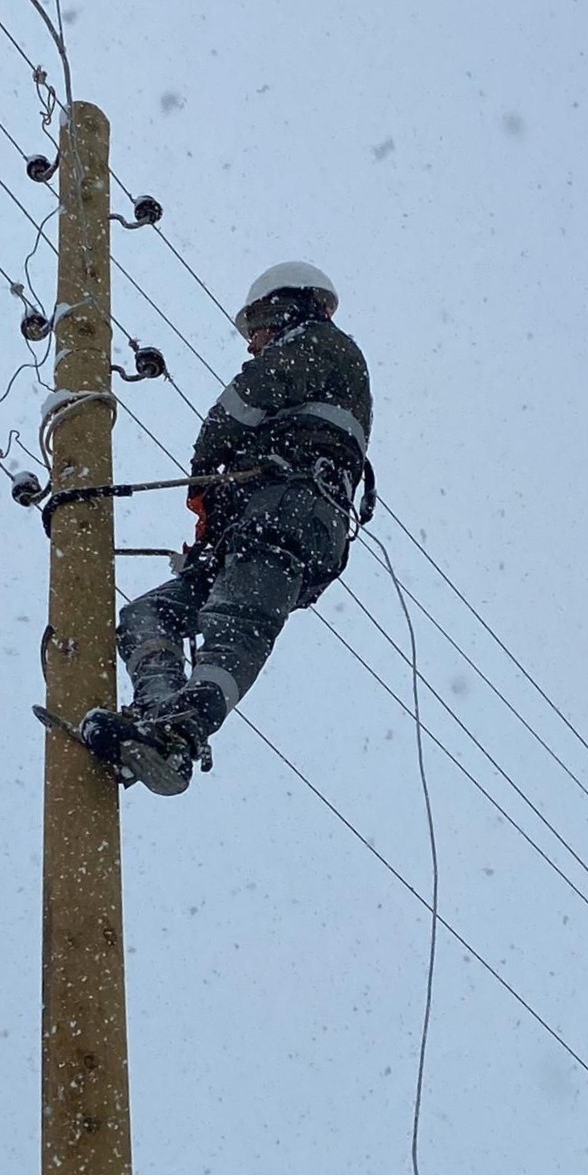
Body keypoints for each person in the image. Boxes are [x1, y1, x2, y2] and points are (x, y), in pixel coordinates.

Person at [82, 261, 373, 795]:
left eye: (257, 325)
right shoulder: (318, 359)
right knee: (149, 615)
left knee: (236, 623)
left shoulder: (319, 345)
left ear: (287, 308)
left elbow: (242, 404)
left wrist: (207, 467)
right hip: (256, 524)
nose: (252, 343)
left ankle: (181, 731)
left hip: (290, 514)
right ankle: (156, 712)